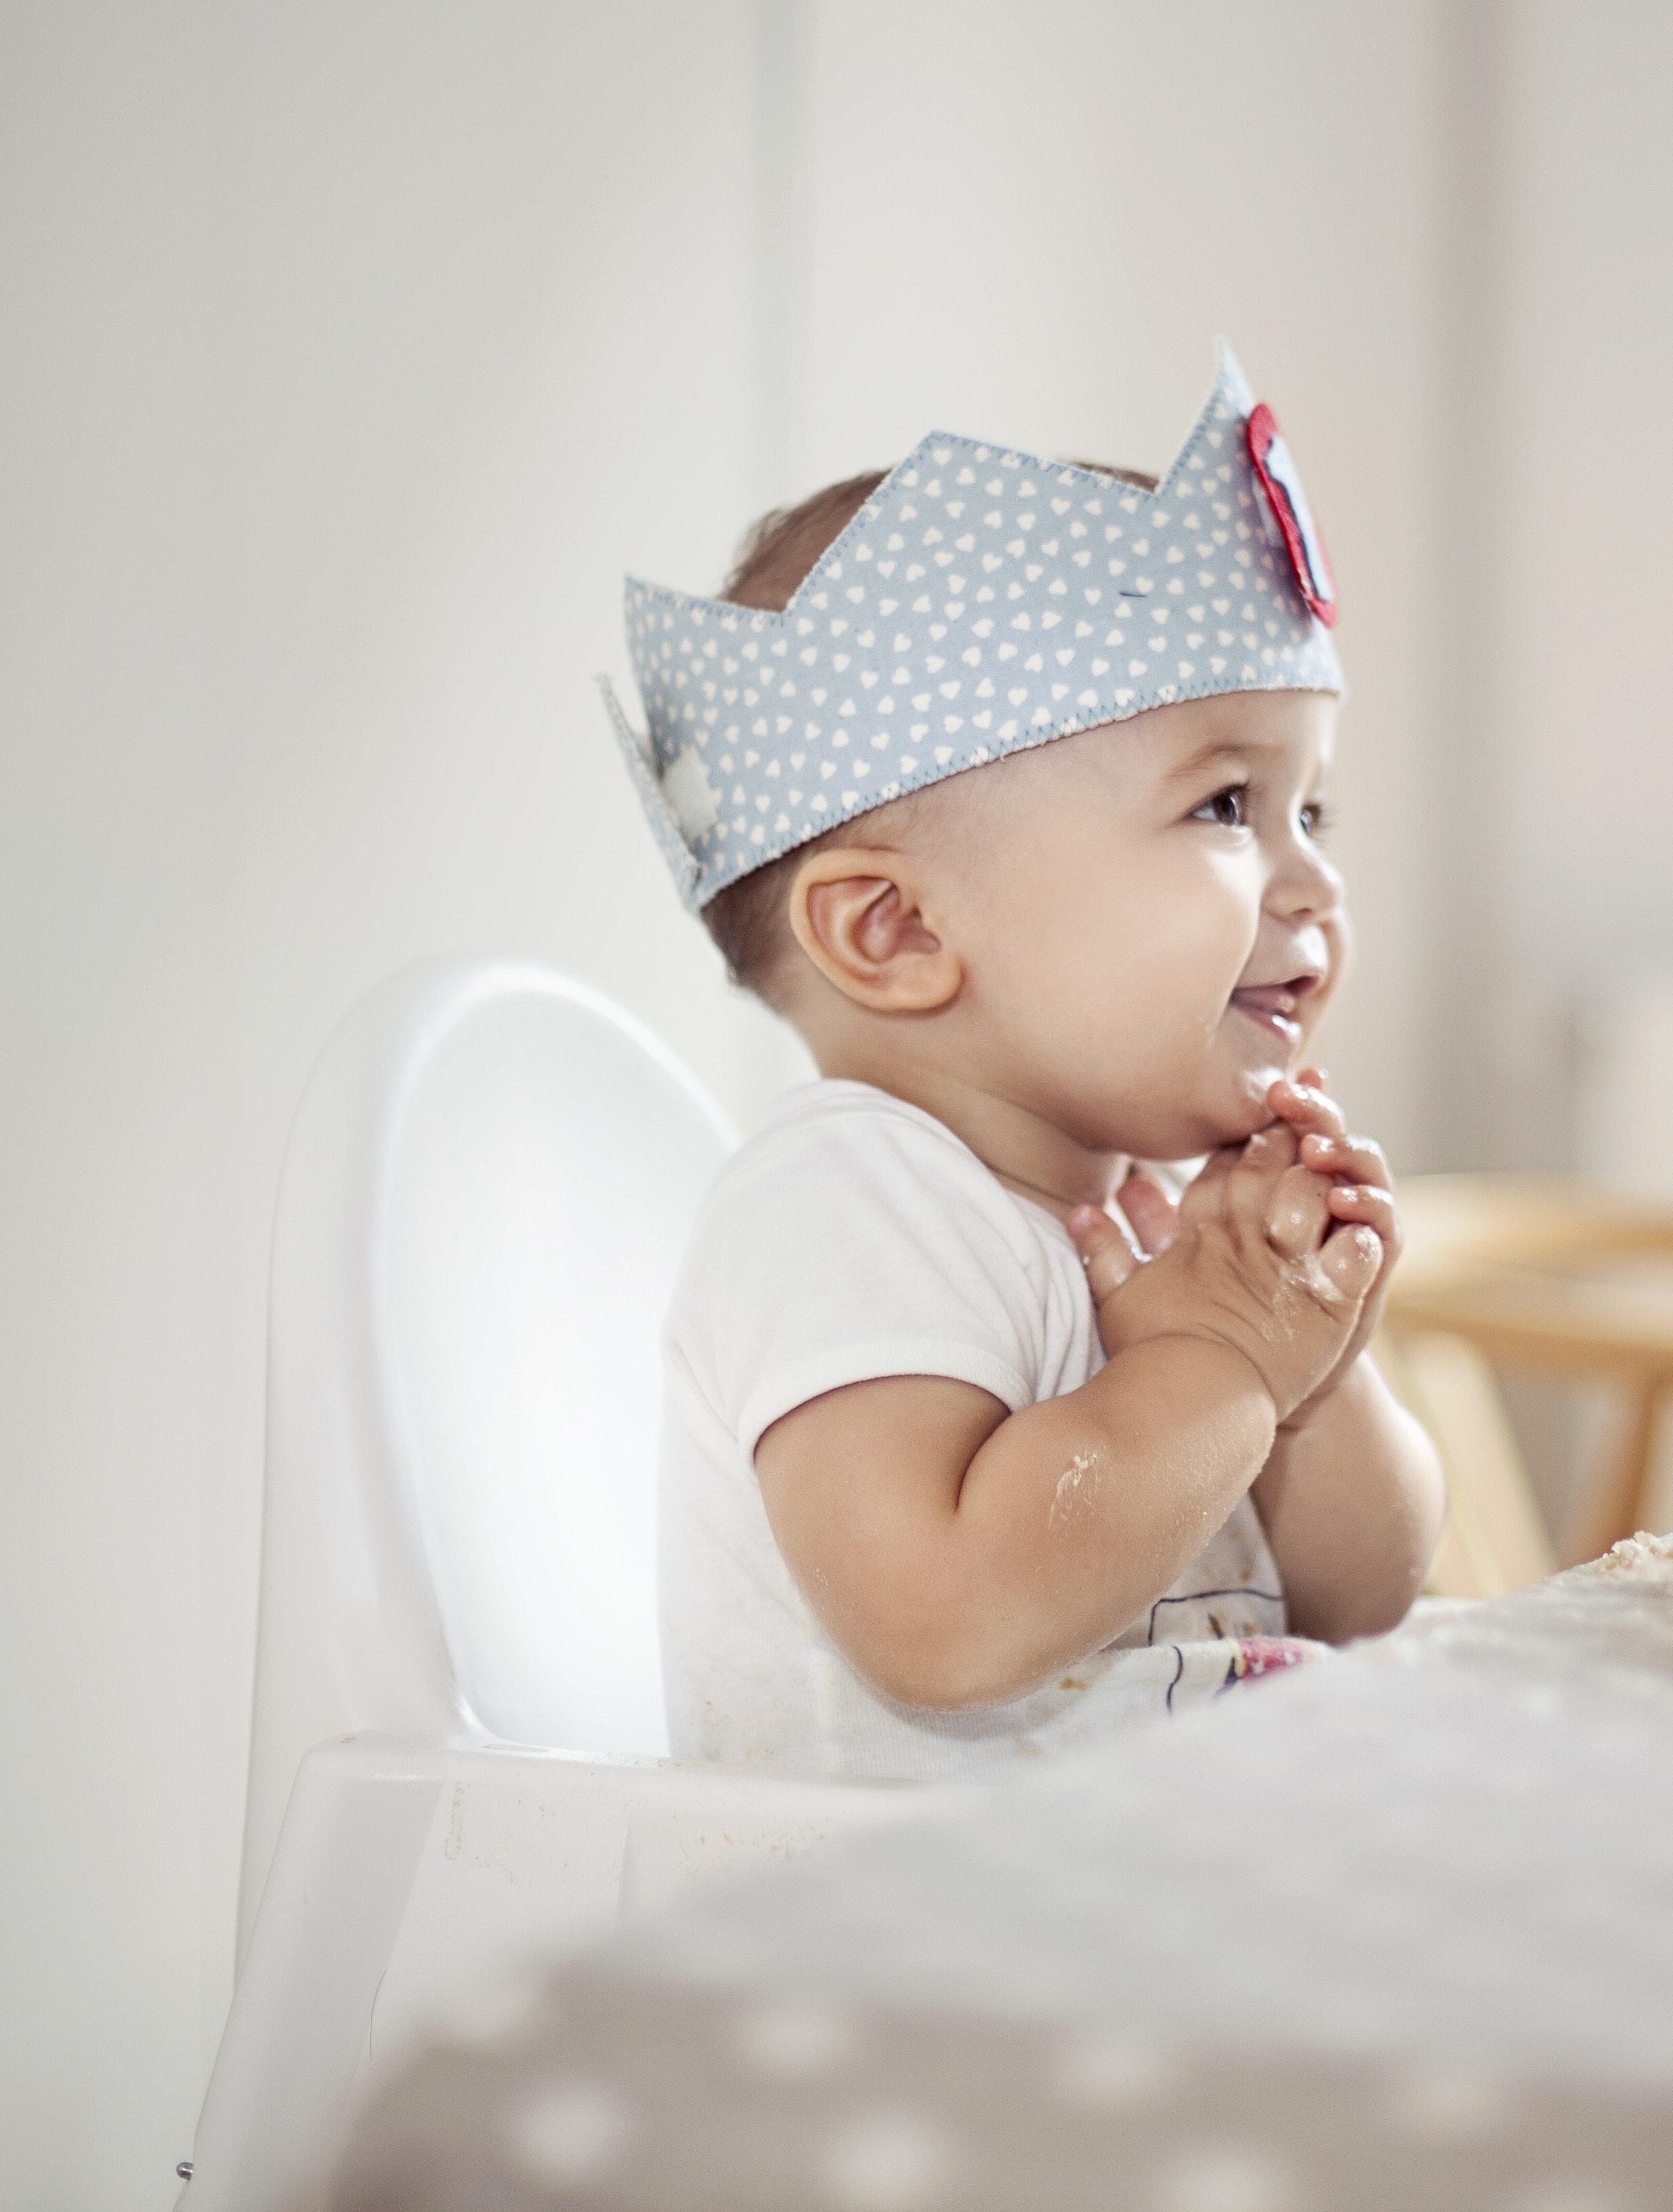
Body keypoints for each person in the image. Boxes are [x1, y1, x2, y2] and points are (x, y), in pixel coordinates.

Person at [604, 350, 1441, 1776]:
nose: (1313, 886)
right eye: (1229, 805)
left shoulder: (1153, 1221)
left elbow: (1359, 1602)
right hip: (901, 1950)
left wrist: (1309, 1369)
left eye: (1319, 810)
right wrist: (1220, 1359)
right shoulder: (849, 1204)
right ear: (897, 928)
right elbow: (946, 1628)